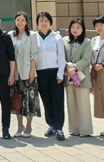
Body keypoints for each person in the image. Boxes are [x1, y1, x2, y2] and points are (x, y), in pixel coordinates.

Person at [35, 11, 66, 141]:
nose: (44, 23)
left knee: (57, 100)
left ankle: (59, 127)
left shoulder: (57, 37)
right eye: (41, 21)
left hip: (55, 72)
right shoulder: (34, 37)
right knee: (46, 101)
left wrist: (60, 74)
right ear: (37, 23)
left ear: (50, 22)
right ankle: (51, 124)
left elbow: (61, 57)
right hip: (41, 73)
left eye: (46, 21)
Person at [9, 11, 40, 138]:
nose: (20, 22)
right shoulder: (10, 35)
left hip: (28, 72)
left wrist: (32, 70)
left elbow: (34, 54)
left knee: (29, 100)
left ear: (27, 22)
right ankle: (19, 126)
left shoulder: (32, 35)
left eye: (22, 20)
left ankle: (28, 126)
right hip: (15, 73)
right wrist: (10, 74)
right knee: (17, 100)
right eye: (18, 20)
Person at [63, 18, 93, 137]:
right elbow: (61, 56)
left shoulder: (87, 42)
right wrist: (67, 68)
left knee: (83, 104)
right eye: (73, 27)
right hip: (68, 76)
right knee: (71, 104)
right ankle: (74, 129)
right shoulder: (64, 40)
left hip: (81, 77)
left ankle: (85, 130)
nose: (75, 30)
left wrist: (74, 68)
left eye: (78, 27)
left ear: (83, 29)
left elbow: (86, 59)